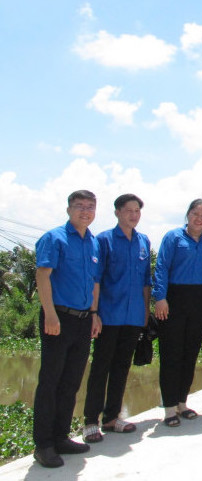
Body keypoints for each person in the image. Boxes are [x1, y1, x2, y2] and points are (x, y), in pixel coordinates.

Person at [32, 190, 100, 468]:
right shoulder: (55, 238)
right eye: (80, 206)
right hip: (58, 317)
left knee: (71, 382)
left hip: (83, 320)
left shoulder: (93, 242)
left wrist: (94, 314)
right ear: (69, 209)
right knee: (50, 382)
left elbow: (93, 282)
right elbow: (42, 275)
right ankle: (43, 445)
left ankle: (61, 437)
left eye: (90, 206)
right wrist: (49, 314)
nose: (85, 211)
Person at [83, 194, 151, 442]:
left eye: (137, 211)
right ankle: (91, 421)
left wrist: (145, 312)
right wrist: (94, 313)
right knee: (101, 368)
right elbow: (96, 279)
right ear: (117, 213)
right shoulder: (104, 240)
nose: (134, 215)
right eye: (128, 210)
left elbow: (146, 280)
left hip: (133, 315)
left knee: (122, 367)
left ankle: (112, 417)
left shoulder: (143, 241)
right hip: (109, 315)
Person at [154, 199, 202, 428]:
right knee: (172, 353)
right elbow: (161, 267)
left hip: (200, 299)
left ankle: (182, 402)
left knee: (191, 352)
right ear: (188, 214)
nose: (199, 219)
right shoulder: (173, 237)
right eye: (195, 213)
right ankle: (169, 407)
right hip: (174, 298)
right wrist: (160, 298)